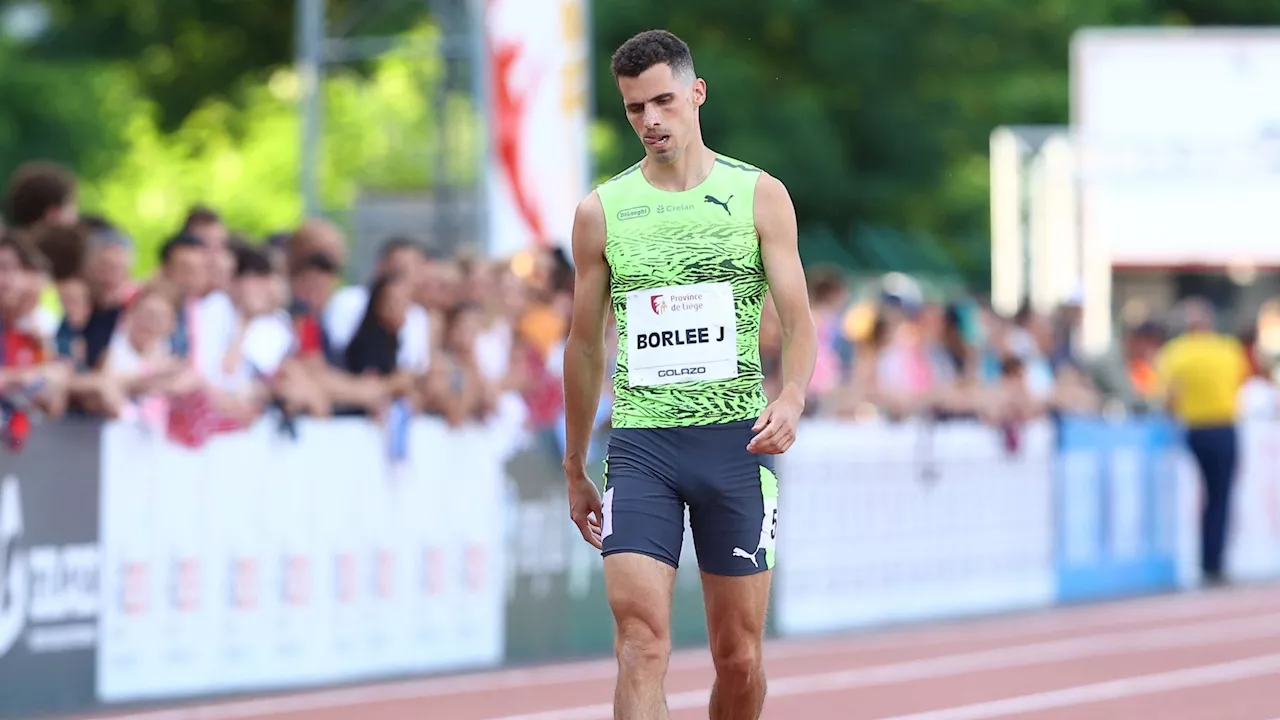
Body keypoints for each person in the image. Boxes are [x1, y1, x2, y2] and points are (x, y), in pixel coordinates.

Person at [561, 29, 817, 720]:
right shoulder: (602, 213)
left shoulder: (758, 196)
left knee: (739, 657)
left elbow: (797, 322)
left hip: (735, 443)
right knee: (640, 642)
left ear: (695, 94)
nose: (649, 120)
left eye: (663, 101)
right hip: (641, 447)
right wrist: (575, 461)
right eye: (634, 108)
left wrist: (791, 394)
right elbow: (584, 347)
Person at [1155, 297, 1249, 587]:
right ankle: (1213, 564)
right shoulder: (1228, 350)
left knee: (1188, 497)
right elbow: (1240, 384)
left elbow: (1168, 396)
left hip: (1192, 429)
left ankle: (1194, 560)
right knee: (1218, 497)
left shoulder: (1175, 353)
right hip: (1223, 427)